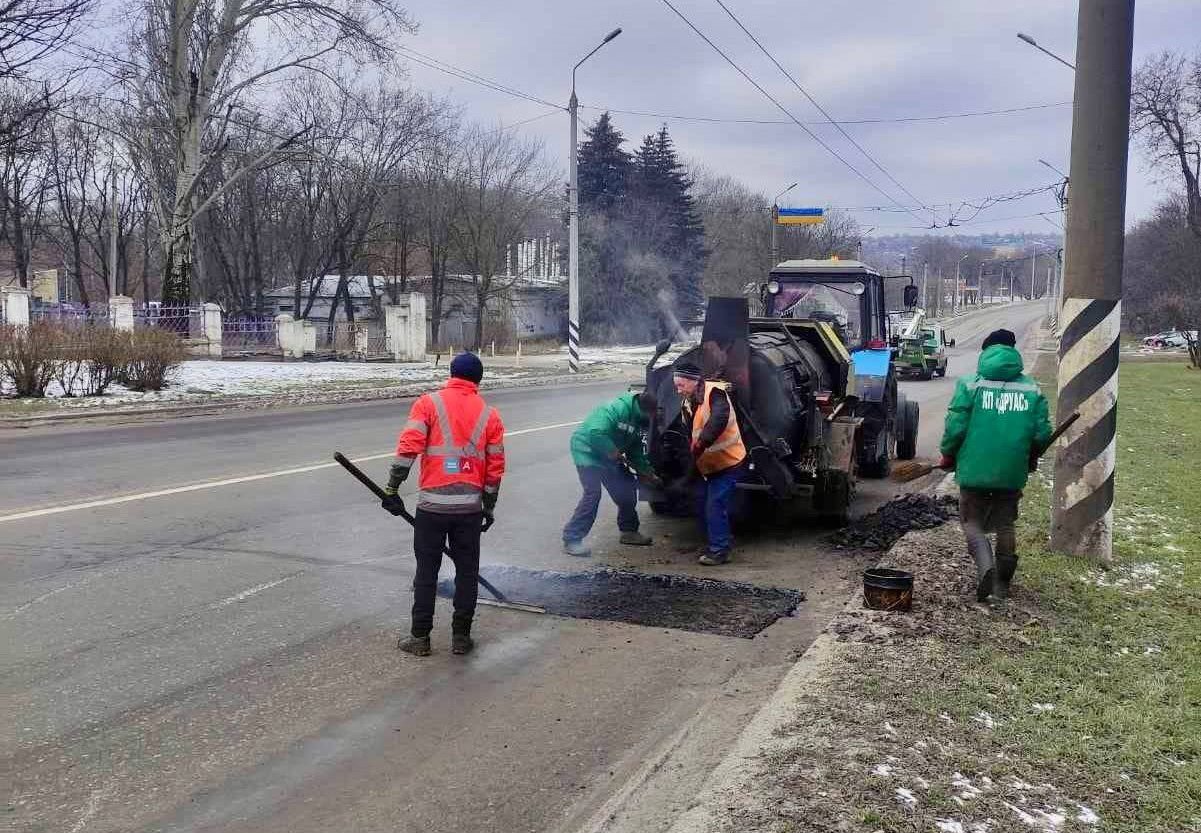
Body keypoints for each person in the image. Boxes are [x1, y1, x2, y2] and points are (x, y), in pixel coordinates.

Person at [382, 352, 505, 657]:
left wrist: (392, 487)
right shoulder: (490, 415)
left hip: (432, 509)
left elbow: (408, 448)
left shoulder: (428, 404)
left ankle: (420, 638)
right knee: (467, 571)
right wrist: (488, 505)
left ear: (450, 373)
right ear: (478, 379)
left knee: (427, 572)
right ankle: (461, 638)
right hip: (468, 510)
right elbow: (495, 468)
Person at [939, 329, 1051, 602]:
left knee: (971, 520)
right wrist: (1031, 455)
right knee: (1005, 523)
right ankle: (1002, 581)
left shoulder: (970, 385)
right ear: (1014, 353)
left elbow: (956, 427)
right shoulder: (1031, 388)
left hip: (974, 469)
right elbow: (1041, 434)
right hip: (1011, 471)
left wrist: (948, 454)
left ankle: (985, 565)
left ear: (986, 352)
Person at [562, 391, 661, 557]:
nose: (651, 418)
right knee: (593, 494)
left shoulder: (639, 420)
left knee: (626, 490)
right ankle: (572, 539)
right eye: (650, 414)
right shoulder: (618, 408)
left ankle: (629, 532)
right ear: (644, 410)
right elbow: (596, 432)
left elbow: (636, 451)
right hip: (587, 452)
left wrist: (646, 472)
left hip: (608, 457)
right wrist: (611, 450)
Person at [672, 362, 746, 566]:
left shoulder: (716, 393)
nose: (678, 391)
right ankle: (716, 541)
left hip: (729, 461)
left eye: (681, 385)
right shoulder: (687, 403)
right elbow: (689, 437)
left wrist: (702, 443)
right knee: (700, 501)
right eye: (676, 386)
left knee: (715, 504)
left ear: (693, 381)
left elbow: (718, 419)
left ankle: (720, 551)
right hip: (708, 465)